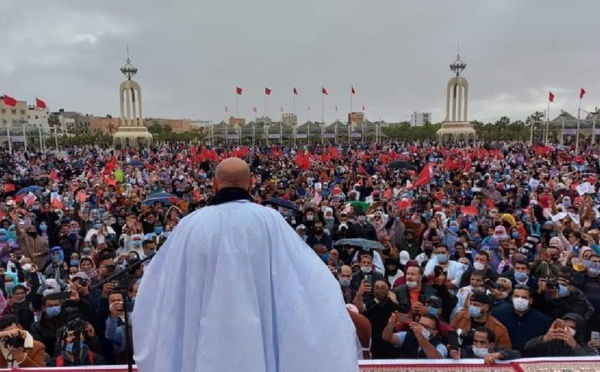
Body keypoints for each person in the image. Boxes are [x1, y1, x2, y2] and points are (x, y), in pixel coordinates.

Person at [133, 158, 358, 372]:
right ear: (251, 183)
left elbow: (159, 290)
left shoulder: (190, 225)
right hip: (259, 340)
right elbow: (310, 282)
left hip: (202, 340)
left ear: (214, 184)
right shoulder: (271, 222)